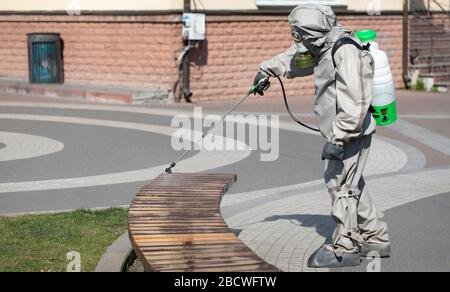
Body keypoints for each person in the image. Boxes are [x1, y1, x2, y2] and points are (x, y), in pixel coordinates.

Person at [253, 4, 390, 268]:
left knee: (340, 184)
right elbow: (296, 59)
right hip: (342, 132)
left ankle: (345, 247)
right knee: (352, 182)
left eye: (299, 33)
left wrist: (338, 138)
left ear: (310, 30)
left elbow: (357, 100)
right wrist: (267, 70)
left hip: (350, 132)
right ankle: (376, 237)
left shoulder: (344, 50)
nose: (298, 39)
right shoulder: (323, 46)